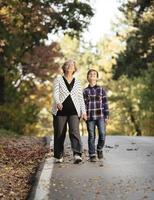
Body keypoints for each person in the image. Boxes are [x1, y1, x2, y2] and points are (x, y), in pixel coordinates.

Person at [52, 60, 87, 164]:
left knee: (74, 132)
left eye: (72, 65)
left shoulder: (77, 81)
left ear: (74, 69)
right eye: (67, 65)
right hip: (60, 111)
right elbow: (55, 92)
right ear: (64, 67)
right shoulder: (58, 79)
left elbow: (80, 98)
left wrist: (83, 112)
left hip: (74, 111)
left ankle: (77, 154)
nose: (69, 66)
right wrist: (58, 102)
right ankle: (58, 155)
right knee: (59, 133)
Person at [83, 69, 109, 162]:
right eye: (90, 74)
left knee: (102, 134)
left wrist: (106, 116)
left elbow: (105, 103)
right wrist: (84, 114)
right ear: (88, 77)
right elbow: (84, 104)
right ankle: (92, 154)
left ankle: (99, 149)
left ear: (97, 77)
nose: (92, 75)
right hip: (90, 117)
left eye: (94, 74)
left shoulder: (101, 89)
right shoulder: (85, 91)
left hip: (100, 116)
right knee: (91, 136)